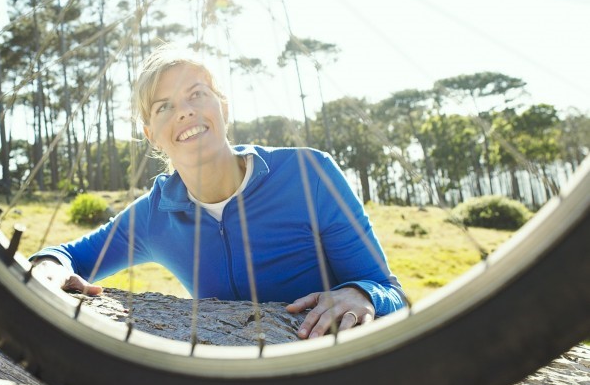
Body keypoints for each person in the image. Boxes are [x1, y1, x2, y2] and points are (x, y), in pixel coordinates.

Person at [31, 45, 406, 339]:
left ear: (223, 106)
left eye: (197, 94)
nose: (185, 111)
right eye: (165, 107)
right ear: (151, 136)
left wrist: (361, 294)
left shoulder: (309, 173)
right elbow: (63, 256)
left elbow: (387, 289)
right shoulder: (154, 216)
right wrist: (46, 269)